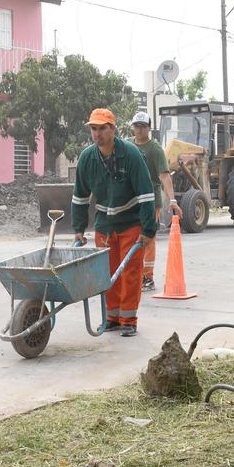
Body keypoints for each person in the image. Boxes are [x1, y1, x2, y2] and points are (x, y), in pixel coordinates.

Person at [72, 108, 156, 337]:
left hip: (131, 221)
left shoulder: (130, 154)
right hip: (105, 224)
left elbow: (146, 194)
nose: (97, 133)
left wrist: (148, 229)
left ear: (113, 129)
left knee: (130, 271)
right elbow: (80, 196)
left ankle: (129, 319)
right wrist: (78, 228)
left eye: (102, 128)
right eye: (93, 129)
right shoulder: (87, 158)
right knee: (106, 272)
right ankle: (112, 317)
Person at [127, 111, 182, 292]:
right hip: (131, 199)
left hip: (151, 201)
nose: (140, 130)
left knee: (148, 237)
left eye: (143, 126)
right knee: (131, 236)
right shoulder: (127, 146)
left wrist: (172, 200)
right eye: (137, 126)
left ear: (149, 128)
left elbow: (164, 176)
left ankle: (147, 277)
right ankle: (133, 274)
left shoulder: (155, 149)